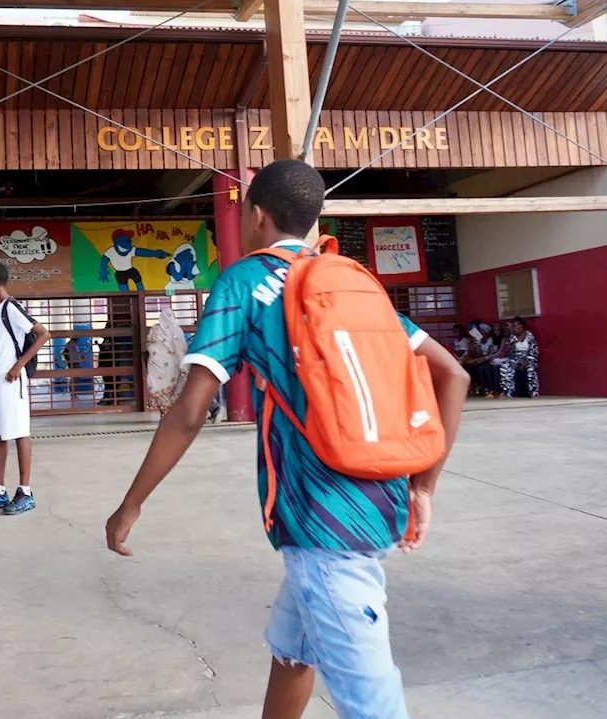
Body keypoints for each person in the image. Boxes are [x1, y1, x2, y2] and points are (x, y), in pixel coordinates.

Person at [104, 159, 470, 719]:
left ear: (254, 216)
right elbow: (454, 375)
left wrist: (129, 505)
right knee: (293, 653)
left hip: (321, 521)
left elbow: (191, 409)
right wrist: (423, 489)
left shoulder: (243, 282)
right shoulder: (348, 279)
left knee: (371, 704)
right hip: (383, 497)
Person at [0, 261, 51, 515]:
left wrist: (19, 366)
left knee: (19, 434)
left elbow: (44, 334)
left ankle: (25, 492)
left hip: (13, 383)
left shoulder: (11, 307)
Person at [145, 307, 188, 417]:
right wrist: (184, 363)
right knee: (172, 388)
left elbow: (149, 345)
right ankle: (171, 413)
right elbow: (181, 348)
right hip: (171, 365)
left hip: (155, 364)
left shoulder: (155, 328)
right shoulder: (175, 329)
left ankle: (164, 412)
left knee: (157, 386)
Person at [499, 316, 541, 398]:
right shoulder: (512, 337)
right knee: (505, 366)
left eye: (514, 326)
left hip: (528, 358)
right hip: (516, 358)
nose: (513, 329)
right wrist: (511, 346)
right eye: (512, 326)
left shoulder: (529, 336)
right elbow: (510, 354)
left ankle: (533, 391)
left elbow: (533, 351)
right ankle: (507, 391)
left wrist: (525, 363)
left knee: (530, 368)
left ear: (521, 326)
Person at [451, 323, 486, 397]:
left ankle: (474, 387)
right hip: (464, 360)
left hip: (471, 359)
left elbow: (473, 354)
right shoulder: (459, 341)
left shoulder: (468, 340)